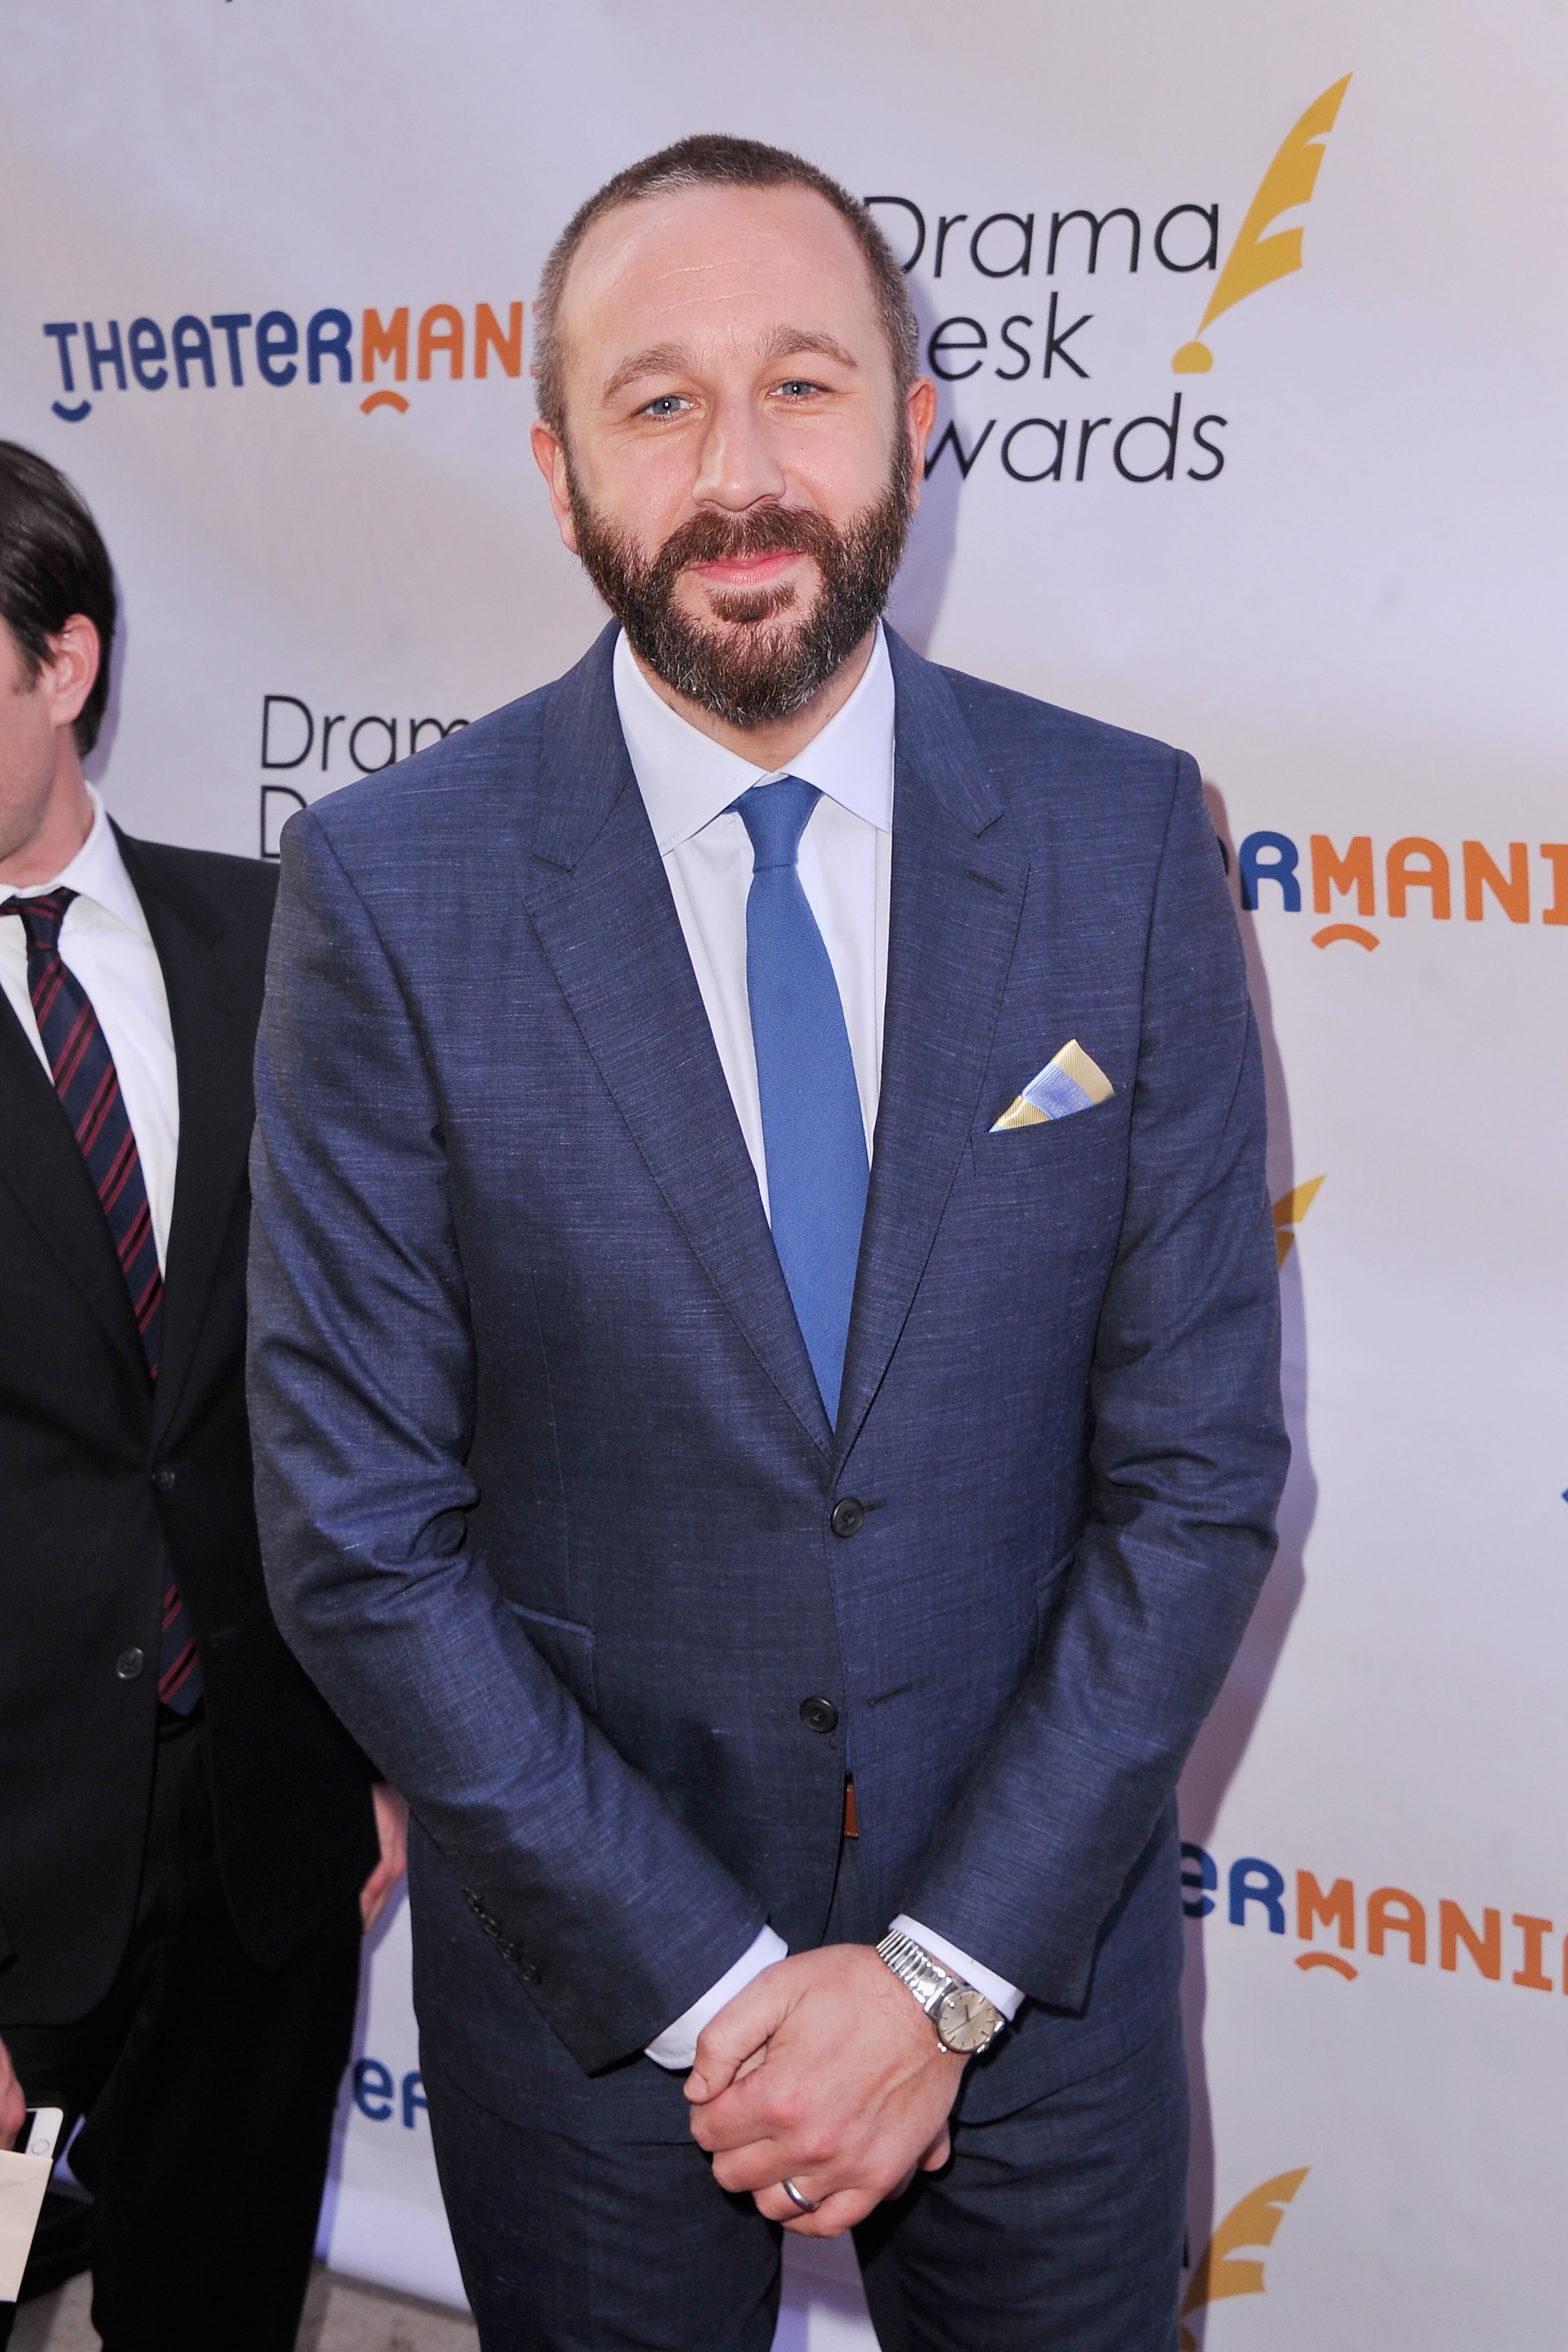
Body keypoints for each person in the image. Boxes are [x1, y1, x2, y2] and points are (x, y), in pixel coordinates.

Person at [247, 135, 1287, 2351]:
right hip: (596, 2003)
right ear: (556, 475)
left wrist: (934, 1984)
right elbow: (357, 1528)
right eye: (656, 404)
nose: (740, 473)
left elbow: (1198, 1475)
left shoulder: (1123, 841)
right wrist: (728, 1991)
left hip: (1039, 1981)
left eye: (805, 387)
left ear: (918, 424)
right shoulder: (395, 893)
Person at [0, 442, 408, 2352]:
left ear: (63, 660)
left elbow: (385, 1368)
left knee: (222, 2309)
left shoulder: (278, 942)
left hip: (269, 1810)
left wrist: (392, 1746)